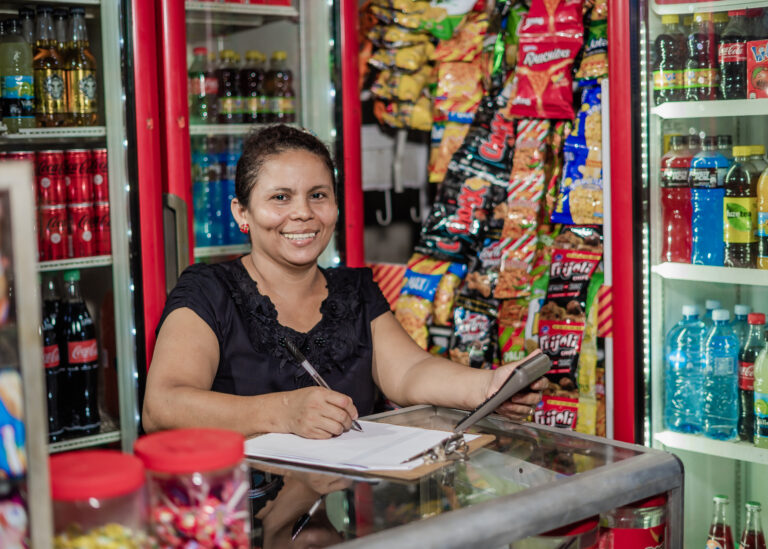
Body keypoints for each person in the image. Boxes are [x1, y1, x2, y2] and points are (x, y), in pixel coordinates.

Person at [143, 124, 545, 439]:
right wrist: (283, 412)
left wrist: (488, 386)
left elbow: (409, 373)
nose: (303, 213)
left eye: (318, 195)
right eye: (280, 198)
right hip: (240, 519)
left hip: (348, 516)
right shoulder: (207, 291)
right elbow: (161, 407)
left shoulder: (354, 291)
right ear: (242, 212)